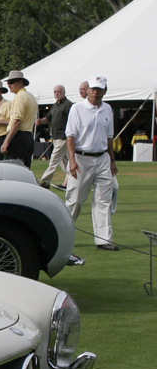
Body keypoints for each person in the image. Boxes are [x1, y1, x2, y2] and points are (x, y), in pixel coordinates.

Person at [65, 76, 118, 251]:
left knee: (103, 200)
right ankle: (62, 233)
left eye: (99, 89)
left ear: (105, 91)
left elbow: (109, 137)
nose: (96, 92)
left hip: (102, 157)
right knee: (75, 200)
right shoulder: (77, 108)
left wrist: (112, 160)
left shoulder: (107, 109)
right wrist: (71, 161)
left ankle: (103, 240)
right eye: (93, 89)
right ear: (87, 90)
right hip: (81, 158)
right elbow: (70, 136)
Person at [0, 70, 37, 169]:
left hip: (18, 137)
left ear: (21, 82)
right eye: (8, 82)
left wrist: (6, 141)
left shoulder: (20, 97)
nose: (9, 85)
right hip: (28, 136)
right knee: (25, 169)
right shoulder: (31, 96)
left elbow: (17, 121)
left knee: (12, 169)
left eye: (12, 82)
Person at [36, 85, 71, 189]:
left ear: (64, 92)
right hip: (56, 137)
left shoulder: (68, 105)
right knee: (64, 161)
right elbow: (47, 118)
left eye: (59, 91)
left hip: (63, 137)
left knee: (54, 159)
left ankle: (45, 181)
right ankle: (73, 179)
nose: (57, 93)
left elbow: (72, 120)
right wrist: (40, 121)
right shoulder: (55, 105)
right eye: (55, 92)